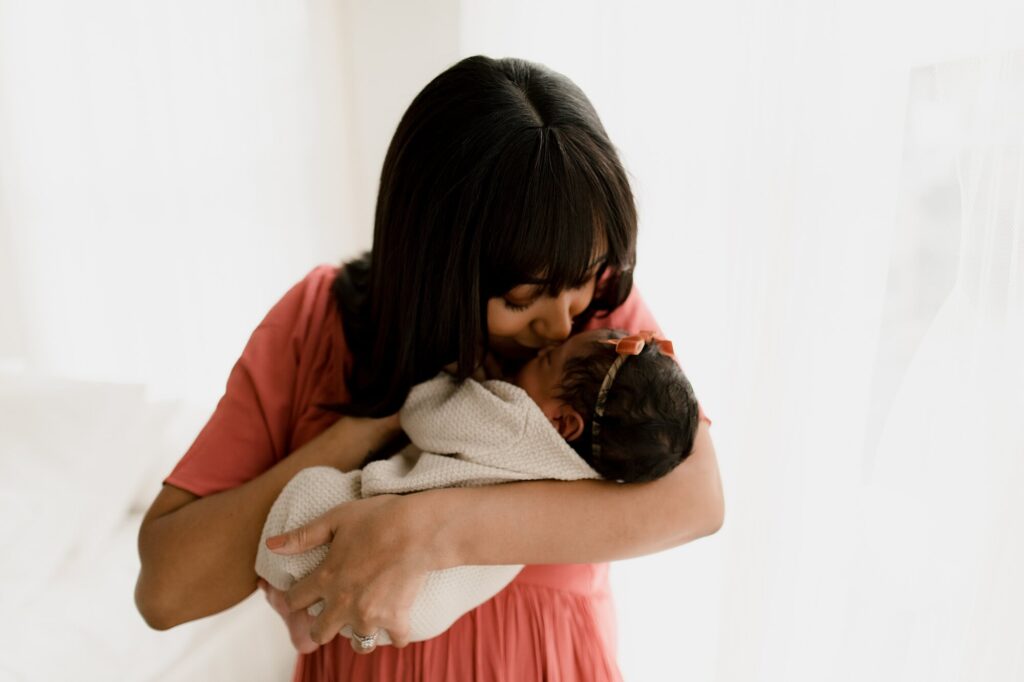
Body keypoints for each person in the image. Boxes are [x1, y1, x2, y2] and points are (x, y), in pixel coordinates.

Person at [134, 54, 725, 681]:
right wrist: (358, 435)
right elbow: (166, 591)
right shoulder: (318, 322)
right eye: (522, 299)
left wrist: (427, 530)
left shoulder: (601, 333)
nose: (559, 324)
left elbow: (698, 501)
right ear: (435, 265)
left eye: (580, 281)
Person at [255, 328, 710, 650]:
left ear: (563, 422)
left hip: (404, 567)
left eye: (549, 360)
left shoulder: (514, 424)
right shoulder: (596, 476)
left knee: (308, 499)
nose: (544, 346)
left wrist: (448, 380)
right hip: (430, 607)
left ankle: (284, 594)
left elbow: (426, 416)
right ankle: (304, 617)